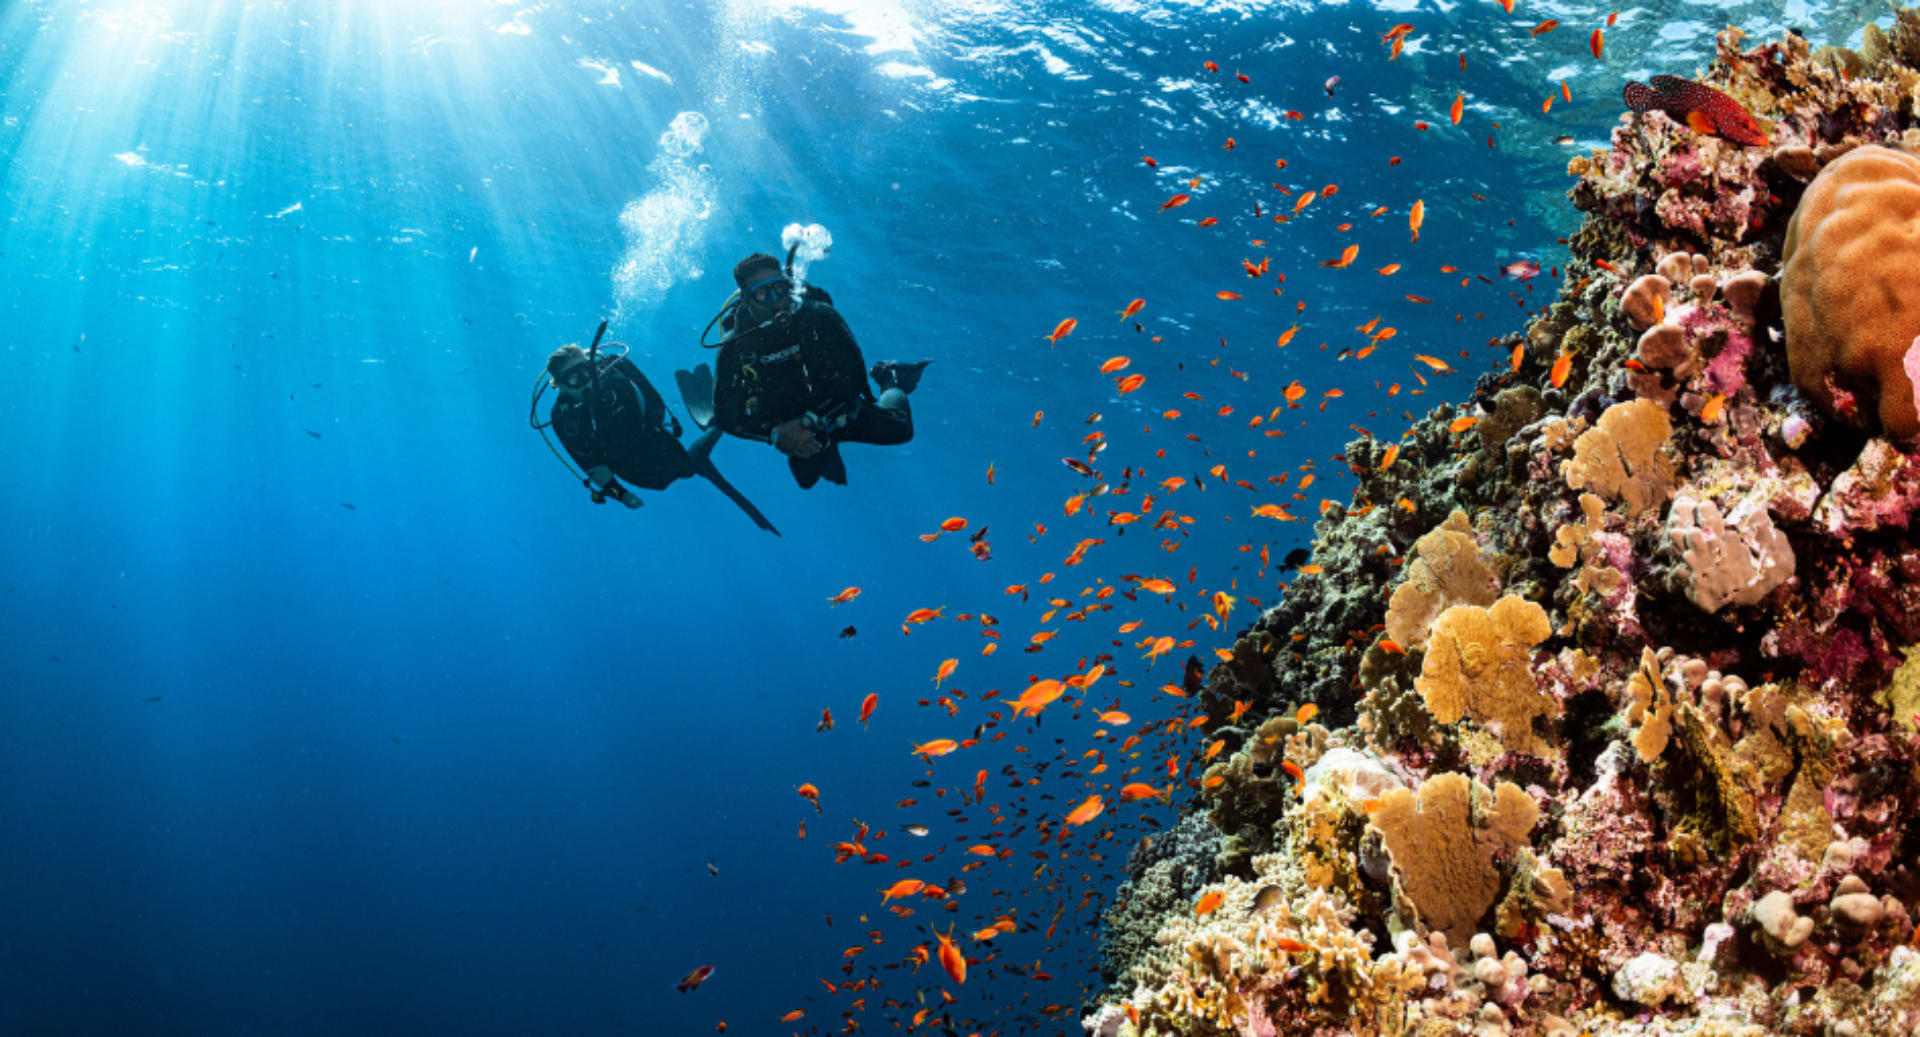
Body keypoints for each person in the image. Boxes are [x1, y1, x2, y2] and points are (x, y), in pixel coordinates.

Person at [676, 252, 928, 489]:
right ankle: (814, 447)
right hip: (782, 423)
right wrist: (777, 434)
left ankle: (891, 376)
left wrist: (808, 422)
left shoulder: (820, 317)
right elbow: (727, 417)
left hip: (835, 406)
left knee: (901, 429)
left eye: (779, 288)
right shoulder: (735, 346)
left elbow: (854, 383)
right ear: (745, 298)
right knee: (807, 480)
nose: (776, 300)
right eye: (763, 294)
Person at [544, 340, 779, 534]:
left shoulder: (614, 369)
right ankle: (712, 429)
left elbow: (653, 400)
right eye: (574, 378)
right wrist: (621, 495)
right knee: (662, 483)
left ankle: (717, 424)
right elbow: (589, 464)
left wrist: (658, 423)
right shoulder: (565, 419)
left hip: (654, 438)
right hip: (628, 465)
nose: (585, 380)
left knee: (689, 468)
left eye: (587, 370)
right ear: (560, 386)